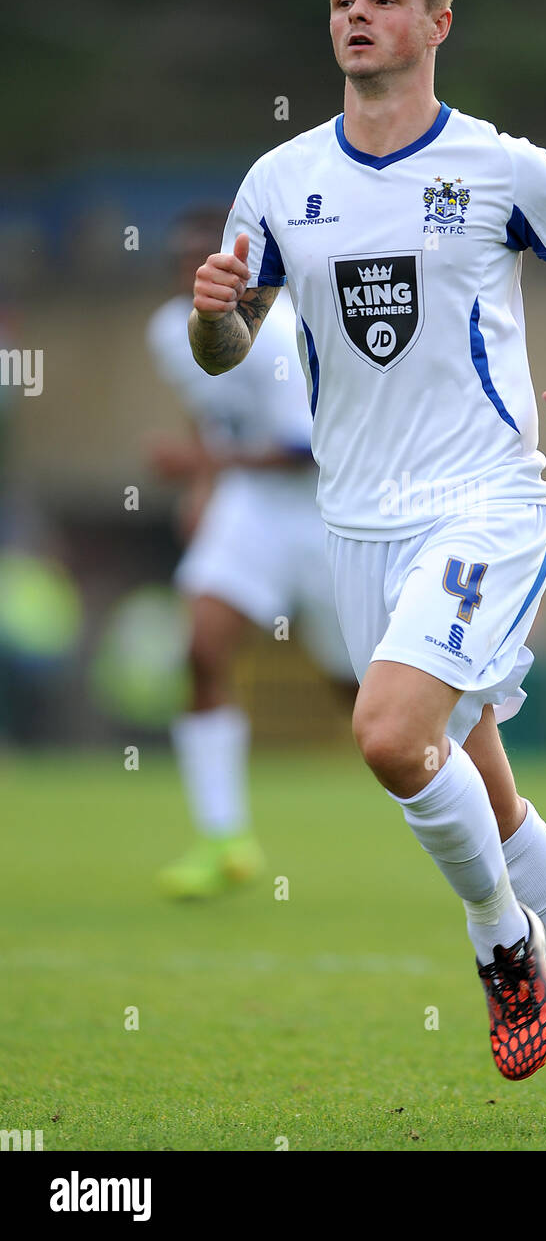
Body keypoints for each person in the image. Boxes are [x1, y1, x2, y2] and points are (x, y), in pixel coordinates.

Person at [186, 0, 546, 1119]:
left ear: (436, 21)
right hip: (355, 522)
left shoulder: (499, 166)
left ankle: (500, 943)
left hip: (485, 503)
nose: (358, 16)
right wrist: (213, 311)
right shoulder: (280, 180)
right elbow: (220, 348)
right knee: (477, 783)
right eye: (344, 0)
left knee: (389, 734)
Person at [147, 207, 355, 898]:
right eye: (181, 263)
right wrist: (205, 485)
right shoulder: (171, 332)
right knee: (202, 650)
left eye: (203, 262)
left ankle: (473, 805)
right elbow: (206, 407)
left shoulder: (280, 333)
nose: (191, 276)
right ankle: (223, 838)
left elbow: (305, 454)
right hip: (250, 510)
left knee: (364, 699)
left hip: (328, 514)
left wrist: (204, 462)